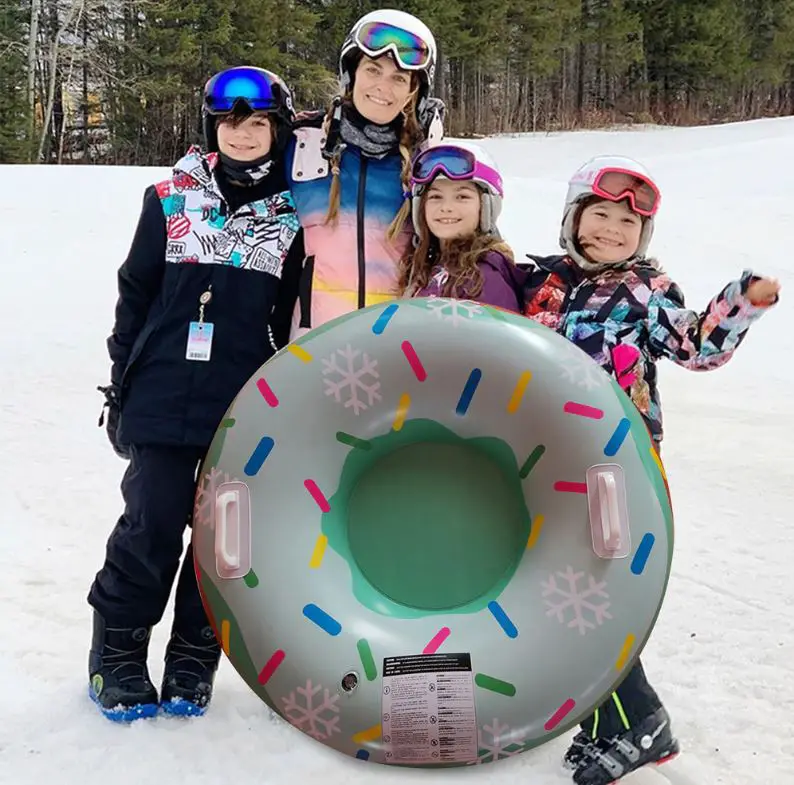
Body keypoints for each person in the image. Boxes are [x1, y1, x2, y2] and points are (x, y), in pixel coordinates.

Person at [521, 155, 780, 784]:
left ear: (644, 237)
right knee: (554, 589)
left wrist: (740, 303)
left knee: (595, 595)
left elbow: (696, 345)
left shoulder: (645, 290)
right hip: (540, 462)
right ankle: (603, 718)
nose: (612, 229)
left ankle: (638, 721)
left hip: (613, 467)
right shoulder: (542, 283)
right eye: (600, 214)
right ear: (573, 219)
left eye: (627, 223)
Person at [89, 66, 304, 721]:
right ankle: (118, 657)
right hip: (159, 396)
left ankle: (191, 657)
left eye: (259, 122)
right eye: (231, 122)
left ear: (278, 131)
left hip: (239, 409)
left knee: (221, 541)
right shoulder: (169, 199)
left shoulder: (293, 215)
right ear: (213, 127)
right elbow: (135, 295)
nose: (243, 134)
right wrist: (120, 386)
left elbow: (292, 317)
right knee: (149, 526)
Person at [273, 8, 444, 340]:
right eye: (373, 70)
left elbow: (467, 242)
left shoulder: (429, 164)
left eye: (398, 78)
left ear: (414, 91)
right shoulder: (303, 146)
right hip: (311, 348)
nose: (383, 87)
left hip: (397, 351)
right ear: (351, 74)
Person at [396, 140, 523, 310]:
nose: (446, 207)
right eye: (435, 197)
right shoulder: (425, 265)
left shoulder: (485, 279)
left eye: (462, 197)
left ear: (486, 205)